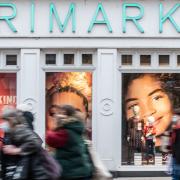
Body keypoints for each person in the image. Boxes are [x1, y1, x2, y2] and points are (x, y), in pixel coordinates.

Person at [122, 73, 178, 164]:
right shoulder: (125, 154)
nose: (148, 111)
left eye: (156, 98)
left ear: (171, 99)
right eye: (134, 105)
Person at [46, 104, 93, 180]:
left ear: (65, 114)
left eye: (60, 113)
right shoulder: (77, 126)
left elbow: (50, 139)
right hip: (82, 170)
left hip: (71, 173)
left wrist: (56, 123)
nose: (57, 115)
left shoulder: (66, 131)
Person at [0, 107, 48, 180]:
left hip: (27, 171)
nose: (3, 123)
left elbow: (36, 142)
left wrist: (17, 150)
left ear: (11, 120)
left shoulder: (19, 129)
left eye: (5, 120)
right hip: (17, 170)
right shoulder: (11, 131)